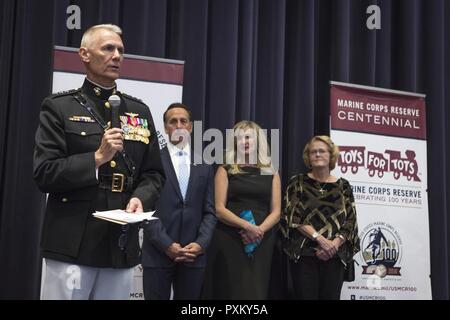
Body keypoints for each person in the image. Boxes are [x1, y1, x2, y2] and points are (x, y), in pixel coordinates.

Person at [33, 24, 165, 300]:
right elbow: (44, 173)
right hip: (73, 241)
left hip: (120, 244)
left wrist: (141, 197)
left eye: (120, 50)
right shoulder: (59, 107)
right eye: (108, 48)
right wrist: (96, 158)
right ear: (84, 54)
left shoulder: (139, 111)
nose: (117, 55)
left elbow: (153, 173)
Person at [141, 103, 216, 300]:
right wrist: (167, 245)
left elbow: (210, 211)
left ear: (190, 127)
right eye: (173, 121)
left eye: (183, 121)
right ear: (165, 128)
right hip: (158, 253)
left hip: (194, 256)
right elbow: (145, 209)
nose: (179, 125)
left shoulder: (205, 164)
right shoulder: (151, 161)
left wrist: (200, 244)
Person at [202, 120, 281, 299]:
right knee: (230, 289)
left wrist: (258, 230)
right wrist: (247, 227)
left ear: (258, 141)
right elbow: (219, 209)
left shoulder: (271, 171)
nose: (244, 142)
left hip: (262, 239)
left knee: (255, 291)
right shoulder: (225, 169)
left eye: (248, 138)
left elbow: (276, 212)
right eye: (239, 138)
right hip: (230, 237)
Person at [281, 135, 360, 300]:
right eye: (313, 152)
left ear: (331, 156)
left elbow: (350, 221)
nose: (317, 154)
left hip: (335, 254)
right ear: (308, 157)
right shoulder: (297, 183)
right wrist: (320, 240)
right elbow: (293, 217)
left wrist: (334, 244)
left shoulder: (343, 185)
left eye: (322, 151)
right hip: (304, 255)